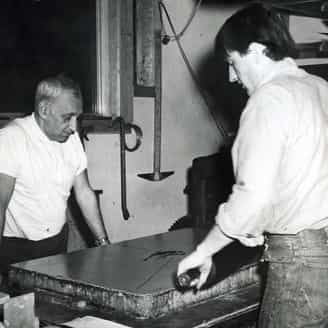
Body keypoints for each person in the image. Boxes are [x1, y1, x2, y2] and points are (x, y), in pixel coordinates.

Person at [177, 3, 328, 327]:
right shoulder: (321, 89)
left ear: (257, 51)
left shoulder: (269, 99)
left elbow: (253, 196)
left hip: (300, 265)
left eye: (233, 62)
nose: (232, 77)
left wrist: (205, 251)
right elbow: (298, 179)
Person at [0, 74, 110, 270]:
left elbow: (84, 193)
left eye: (77, 117)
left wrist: (103, 243)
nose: (74, 127)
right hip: (15, 250)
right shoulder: (11, 139)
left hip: (56, 243)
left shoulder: (72, 139)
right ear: (44, 110)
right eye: (67, 118)